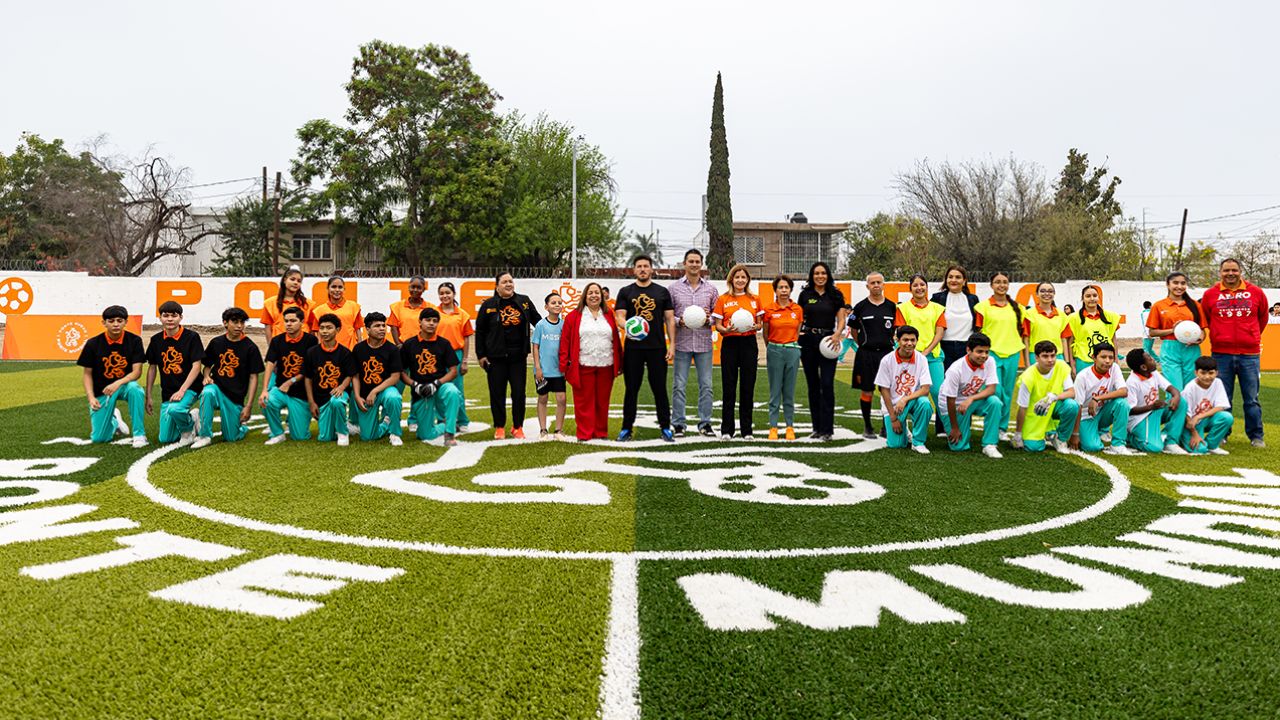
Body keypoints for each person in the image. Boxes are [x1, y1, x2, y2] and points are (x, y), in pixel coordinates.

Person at [1201, 258, 1268, 448]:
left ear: (1240, 271)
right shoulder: (1210, 294)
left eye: (1234, 270)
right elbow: (1206, 319)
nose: (1230, 274)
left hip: (1250, 355)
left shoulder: (1256, 292)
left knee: (1252, 399)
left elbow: (1262, 318)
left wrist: (1251, 336)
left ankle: (1256, 436)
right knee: (1223, 397)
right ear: (1220, 272)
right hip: (1221, 354)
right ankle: (1222, 434)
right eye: (1226, 270)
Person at [615, 255, 677, 442]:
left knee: (659, 388)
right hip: (633, 349)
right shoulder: (626, 291)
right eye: (639, 266)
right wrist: (630, 326)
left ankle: (665, 427)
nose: (642, 269)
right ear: (634, 270)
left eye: (646, 266)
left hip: (657, 348)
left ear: (651, 269)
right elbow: (619, 317)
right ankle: (626, 428)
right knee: (631, 389)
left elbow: (669, 319)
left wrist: (672, 344)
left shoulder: (662, 292)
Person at [475, 271, 541, 439]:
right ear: (497, 286)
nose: (508, 284)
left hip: (518, 357)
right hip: (495, 357)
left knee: (519, 392)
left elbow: (539, 323)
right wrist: (481, 355)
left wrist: (554, 328)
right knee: (497, 393)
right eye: (504, 282)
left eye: (510, 281)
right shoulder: (488, 305)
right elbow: (480, 331)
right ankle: (499, 426)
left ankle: (518, 426)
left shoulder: (524, 301)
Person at [192, 307, 264, 449]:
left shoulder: (250, 347)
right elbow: (207, 366)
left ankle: (241, 428)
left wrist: (248, 406)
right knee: (207, 392)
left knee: (231, 437)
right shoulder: (216, 343)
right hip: (217, 388)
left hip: (235, 397)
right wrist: (206, 377)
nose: (239, 326)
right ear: (225, 323)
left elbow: (253, 378)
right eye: (235, 322)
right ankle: (204, 435)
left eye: (242, 322)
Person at [560, 282, 623, 441]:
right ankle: (584, 433)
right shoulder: (573, 316)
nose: (594, 296)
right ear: (584, 296)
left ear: (602, 296)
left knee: (602, 401)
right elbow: (565, 341)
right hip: (583, 365)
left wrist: (620, 362)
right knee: (583, 401)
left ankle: (601, 432)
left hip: (606, 365)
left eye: (597, 293)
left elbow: (615, 339)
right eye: (590, 293)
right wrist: (564, 364)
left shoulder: (609, 315)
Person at [77, 305, 147, 447]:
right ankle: (115, 420)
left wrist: (117, 383)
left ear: (126, 322)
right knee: (99, 438)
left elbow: (137, 372)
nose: (115, 324)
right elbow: (87, 374)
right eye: (111, 321)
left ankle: (139, 434)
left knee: (135, 389)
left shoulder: (134, 341)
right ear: (104, 323)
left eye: (119, 320)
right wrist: (91, 397)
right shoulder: (93, 343)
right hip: (102, 390)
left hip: (124, 386)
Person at [669, 248, 719, 438]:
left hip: (703, 344)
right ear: (685, 263)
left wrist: (708, 319)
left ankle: (705, 423)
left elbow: (717, 316)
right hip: (682, 343)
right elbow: (668, 316)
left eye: (697, 261)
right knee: (679, 385)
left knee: (706, 386)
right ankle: (678, 424)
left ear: (701, 264)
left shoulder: (711, 289)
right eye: (691, 261)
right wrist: (679, 321)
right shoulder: (673, 289)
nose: (694, 264)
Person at [798, 261, 848, 441]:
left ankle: (827, 430)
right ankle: (817, 428)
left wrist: (837, 334)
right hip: (808, 342)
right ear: (812, 276)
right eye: (816, 273)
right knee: (812, 385)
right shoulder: (805, 294)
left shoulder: (836, 295)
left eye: (823, 273)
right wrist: (797, 335)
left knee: (827, 384)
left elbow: (841, 319)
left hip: (829, 342)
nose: (820, 276)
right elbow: (799, 318)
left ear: (828, 275)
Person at [713, 264, 764, 440]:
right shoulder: (723, 299)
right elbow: (718, 325)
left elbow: (759, 324)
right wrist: (725, 330)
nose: (740, 280)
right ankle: (727, 430)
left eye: (743, 277)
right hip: (730, 343)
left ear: (748, 280)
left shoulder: (755, 299)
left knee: (747, 387)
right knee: (729, 387)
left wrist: (756, 326)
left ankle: (747, 430)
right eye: (737, 277)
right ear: (731, 279)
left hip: (749, 343)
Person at [400, 308, 464, 446]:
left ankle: (450, 433)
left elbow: (453, 371)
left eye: (435, 321)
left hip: (440, 386)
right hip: (421, 391)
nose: (431, 323)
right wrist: (415, 385)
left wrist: (436, 384)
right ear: (420, 322)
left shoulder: (444, 343)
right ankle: (444, 425)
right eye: (428, 320)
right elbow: (401, 372)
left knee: (452, 391)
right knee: (425, 435)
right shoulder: (409, 344)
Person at [973, 271, 1025, 438]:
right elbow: (978, 331)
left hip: (1012, 353)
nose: (1001, 285)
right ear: (991, 285)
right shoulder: (982, 307)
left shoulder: (1018, 308)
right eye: (997, 282)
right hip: (991, 354)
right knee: (996, 390)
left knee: (1008, 393)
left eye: (1004, 282)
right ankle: (992, 425)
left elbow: (1022, 332)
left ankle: (1002, 428)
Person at [144, 301, 204, 444]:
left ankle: (187, 431)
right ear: (160, 318)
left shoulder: (192, 337)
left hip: (190, 388)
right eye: (166, 316)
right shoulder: (156, 340)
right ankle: (192, 417)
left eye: (174, 315)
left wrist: (182, 391)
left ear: (180, 317)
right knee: (166, 438)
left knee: (175, 409)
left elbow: (197, 366)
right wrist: (149, 396)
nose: (170, 319)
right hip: (168, 392)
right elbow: (152, 367)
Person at [938, 332, 1004, 458]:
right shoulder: (955, 369)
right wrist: (954, 428)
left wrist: (971, 398)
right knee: (958, 446)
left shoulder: (990, 361)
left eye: (986, 352)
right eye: (979, 351)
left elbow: (991, 389)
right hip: (952, 405)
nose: (984, 356)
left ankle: (989, 444)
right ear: (968, 350)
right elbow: (950, 400)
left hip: (970, 400)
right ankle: (957, 427)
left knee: (995, 402)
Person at [896, 274, 947, 435]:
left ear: (927, 287)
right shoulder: (903, 308)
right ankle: (905, 430)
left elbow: (939, 333)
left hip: (933, 357)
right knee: (908, 393)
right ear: (910, 289)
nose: (919, 288)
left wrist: (926, 352)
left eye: (922, 285)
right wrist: (913, 353)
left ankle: (949, 430)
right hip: (908, 358)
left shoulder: (937, 308)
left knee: (939, 393)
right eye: (915, 285)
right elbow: (900, 333)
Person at [261, 306, 318, 444]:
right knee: (267, 400)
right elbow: (270, 363)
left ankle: (297, 421)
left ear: (302, 322)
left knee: (300, 437)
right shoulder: (277, 340)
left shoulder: (311, 340)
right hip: (281, 390)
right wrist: (264, 390)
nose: (288, 324)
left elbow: (308, 369)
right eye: (286, 321)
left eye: (293, 321)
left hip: (301, 394)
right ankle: (277, 433)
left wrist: (291, 381)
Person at [850, 272, 896, 439]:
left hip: (887, 355)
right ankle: (868, 427)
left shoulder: (892, 307)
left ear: (883, 285)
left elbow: (896, 329)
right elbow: (853, 330)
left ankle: (886, 426)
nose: (876, 285)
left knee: (887, 391)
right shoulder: (860, 307)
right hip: (866, 355)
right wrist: (863, 344)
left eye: (879, 282)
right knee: (867, 391)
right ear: (867, 286)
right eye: (872, 283)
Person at [874, 325, 933, 454]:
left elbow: (925, 389)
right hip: (893, 406)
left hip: (912, 400)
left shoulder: (922, 359)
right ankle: (905, 429)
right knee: (896, 445)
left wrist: (905, 399)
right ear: (898, 340)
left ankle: (918, 442)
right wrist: (893, 419)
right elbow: (883, 390)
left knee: (925, 404)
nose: (909, 343)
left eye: (913, 340)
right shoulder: (887, 360)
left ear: (917, 341)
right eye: (905, 340)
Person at [1145, 272, 1206, 397]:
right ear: (1168, 285)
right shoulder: (1159, 306)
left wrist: (1200, 338)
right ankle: (1174, 410)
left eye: (1183, 283)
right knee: (1175, 390)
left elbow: (1202, 330)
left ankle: (1189, 411)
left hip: (1191, 349)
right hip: (1170, 349)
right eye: (1175, 283)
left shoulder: (1195, 305)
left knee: (1191, 389)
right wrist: (1173, 330)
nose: (1179, 286)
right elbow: (1152, 332)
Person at [1012, 341, 1079, 453]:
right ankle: (1046, 433)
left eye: (1053, 355)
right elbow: (1022, 408)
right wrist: (1018, 433)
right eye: (1045, 356)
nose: (1050, 360)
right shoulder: (1028, 377)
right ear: (1036, 357)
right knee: (1034, 447)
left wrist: (1054, 397)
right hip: (1035, 414)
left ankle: (1060, 439)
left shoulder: (1061, 366)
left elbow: (1071, 393)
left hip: (1053, 407)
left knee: (1072, 405)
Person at [1072, 342, 1136, 455]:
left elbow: (1124, 391)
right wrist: (1075, 434)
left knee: (1122, 404)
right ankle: (1086, 432)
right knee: (1092, 447)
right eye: (1103, 357)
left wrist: (1097, 398)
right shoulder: (1082, 377)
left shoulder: (1114, 368)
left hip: (1102, 412)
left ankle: (1118, 444)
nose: (1107, 361)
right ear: (1094, 358)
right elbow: (1078, 406)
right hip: (1086, 416)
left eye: (1111, 357)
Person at [351, 312, 404, 446]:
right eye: (377, 326)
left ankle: (395, 433)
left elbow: (395, 377)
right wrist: (357, 396)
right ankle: (386, 423)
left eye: (383, 325)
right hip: (365, 394)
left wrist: (375, 391)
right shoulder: (358, 349)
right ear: (367, 329)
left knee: (394, 397)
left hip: (385, 390)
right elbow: (355, 376)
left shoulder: (392, 349)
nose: (382, 329)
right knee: (368, 437)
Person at [303, 313, 356, 446]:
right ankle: (337, 424)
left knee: (336, 401)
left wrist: (342, 387)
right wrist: (311, 402)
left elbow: (349, 375)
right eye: (322, 328)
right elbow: (308, 378)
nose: (324, 331)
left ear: (337, 330)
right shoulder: (311, 352)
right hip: (320, 398)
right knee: (325, 438)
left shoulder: (345, 352)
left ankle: (343, 432)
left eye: (329, 328)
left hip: (339, 393)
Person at [763, 275, 803, 441]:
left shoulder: (797, 309)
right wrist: (773, 348)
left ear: (791, 289)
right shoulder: (769, 310)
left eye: (786, 287)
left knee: (789, 391)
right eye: (781, 287)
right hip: (775, 351)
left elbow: (797, 331)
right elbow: (766, 333)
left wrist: (790, 345)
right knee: (775, 391)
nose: (784, 290)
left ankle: (789, 426)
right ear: (775, 290)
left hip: (792, 351)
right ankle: (773, 427)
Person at [1124, 348, 1186, 455]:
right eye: (1150, 359)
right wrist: (1152, 407)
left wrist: (1176, 396)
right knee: (1154, 448)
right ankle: (1130, 438)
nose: (1153, 359)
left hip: (1155, 411)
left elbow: (1172, 389)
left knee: (1181, 402)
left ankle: (1170, 441)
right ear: (1143, 367)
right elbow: (1130, 411)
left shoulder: (1153, 373)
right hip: (1140, 419)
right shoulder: (1132, 382)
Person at [432, 281, 474, 432]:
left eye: (447, 293)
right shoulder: (433, 313)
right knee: (438, 387)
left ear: (454, 294)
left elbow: (467, 338)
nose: (445, 296)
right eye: (441, 293)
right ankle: (442, 419)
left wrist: (465, 360)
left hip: (456, 355)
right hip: (436, 355)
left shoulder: (462, 315)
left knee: (457, 390)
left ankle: (462, 420)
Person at [930, 264, 980, 373]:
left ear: (964, 281)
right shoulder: (937, 298)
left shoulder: (973, 299)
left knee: (966, 381)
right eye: (950, 277)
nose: (953, 280)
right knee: (946, 381)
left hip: (967, 348)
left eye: (958, 277)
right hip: (944, 347)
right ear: (946, 279)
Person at [1180, 355, 1234, 455]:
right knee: (1200, 450)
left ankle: (1212, 446)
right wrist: (1194, 434)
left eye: (1211, 373)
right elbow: (1186, 415)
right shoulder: (1190, 388)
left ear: (1216, 373)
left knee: (1227, 417)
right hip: (1189, 424)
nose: (1207, 377)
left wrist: (1199, 417)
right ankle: (1179, 439)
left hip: (1203, 420)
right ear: (1196, 372)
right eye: (1203, 373)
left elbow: (1220, 406)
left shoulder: (1218, 382)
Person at [532, 292, 568, 439]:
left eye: (559, 303)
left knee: (561, 399)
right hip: (543, 371)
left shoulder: (564, 325)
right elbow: (535, 347)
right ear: (546, 307)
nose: (557, 305)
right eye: (553, 303)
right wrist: (538, 368)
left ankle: (558, 430)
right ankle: (543, 430)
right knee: (543, 398)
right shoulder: (541, 325)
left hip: (559, 371)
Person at [1066, 284, 1120, 375]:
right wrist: (1072, 364)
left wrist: (1116, 359)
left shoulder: (1110, 316)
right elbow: (1070, 343)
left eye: (1094, 296)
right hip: (1083, 361)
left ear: (1098, 297)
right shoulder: (1073, 318)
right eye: (1088, 296)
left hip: (1106, 361)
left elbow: (1113, 340)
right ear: (1082, 299)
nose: (1092, 299)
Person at [1022, 282, 1074, 366]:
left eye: (1050, 291)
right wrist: (1027, 364)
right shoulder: (1028, 314)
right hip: (1036, 357)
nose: (1046, 294)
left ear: (1054, 294)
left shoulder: (1062, 315)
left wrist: (1067, 362)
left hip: (1057, 357)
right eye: (1042, 291)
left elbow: (1064, 340)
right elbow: (1025, 340)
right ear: (1037, 294)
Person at [307, 275, 364, 349]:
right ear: (328, 289)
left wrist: (360, 349)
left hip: (349, 350)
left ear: (344, 289)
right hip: (327, 351)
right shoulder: (319, 311)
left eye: (340, 287)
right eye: (333, 287)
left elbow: (358, 331)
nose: (337, 290)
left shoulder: (354, 307)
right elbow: (318, 335)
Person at [260, 265, 308, 339]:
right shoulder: (270, 303)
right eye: (292, 279)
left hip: (303, 344)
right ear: (285, 280)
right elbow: (268, 327)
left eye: (299, 281)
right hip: (278, 343)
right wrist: (271, 345)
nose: (296, 283)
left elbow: (312, 328)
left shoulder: (308, 304)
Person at [387, 275, 428, 345]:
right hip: (404, 346)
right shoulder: (397, 307)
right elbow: (394, 328)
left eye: (419, 287)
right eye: (413, 287)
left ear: (423, 289)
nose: (415, 290)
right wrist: (399, 345)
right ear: (409, 287)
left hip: (424, 346)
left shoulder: (430, 307)